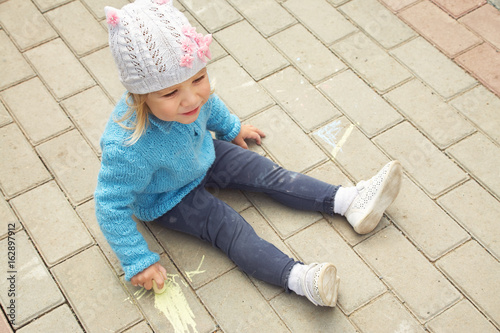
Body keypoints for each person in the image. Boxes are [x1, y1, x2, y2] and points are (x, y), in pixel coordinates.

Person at [95, 0, 402, 308]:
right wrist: (137, 259)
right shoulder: (127, 147)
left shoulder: (191, 97)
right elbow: (110, 205)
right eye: (171, 93)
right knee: (228, 226)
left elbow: (209, 105)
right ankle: (301, 280)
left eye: (198, 79)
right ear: (140, 95)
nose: (190, 99)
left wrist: (232, 129)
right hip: (167, 196)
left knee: (267, 173)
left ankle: (349, 203)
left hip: (203, 154)